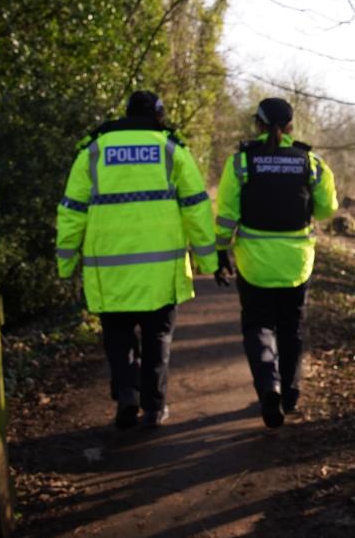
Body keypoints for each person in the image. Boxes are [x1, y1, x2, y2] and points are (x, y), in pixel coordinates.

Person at [56, 91, 217, 429]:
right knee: (158, 338)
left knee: (118, 336)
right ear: (158, 115)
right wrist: (208, 259)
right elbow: (197, 207)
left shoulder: (94, 151)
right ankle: (154, 406)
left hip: (110, 270)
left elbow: (71, 212)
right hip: (161, 271)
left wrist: (66, 263)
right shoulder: (171, 150)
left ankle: (127, 393)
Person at [214, 97, 338, 427]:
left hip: (254, 265)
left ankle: (269, 386)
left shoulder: (241, 162)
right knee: (291, 327)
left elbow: (226, 214)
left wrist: (221, 251)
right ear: (290, 127)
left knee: (258, 326)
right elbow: (327, 208)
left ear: (258, 124)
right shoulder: (310, 162)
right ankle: (292, 392)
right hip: (297, 264)